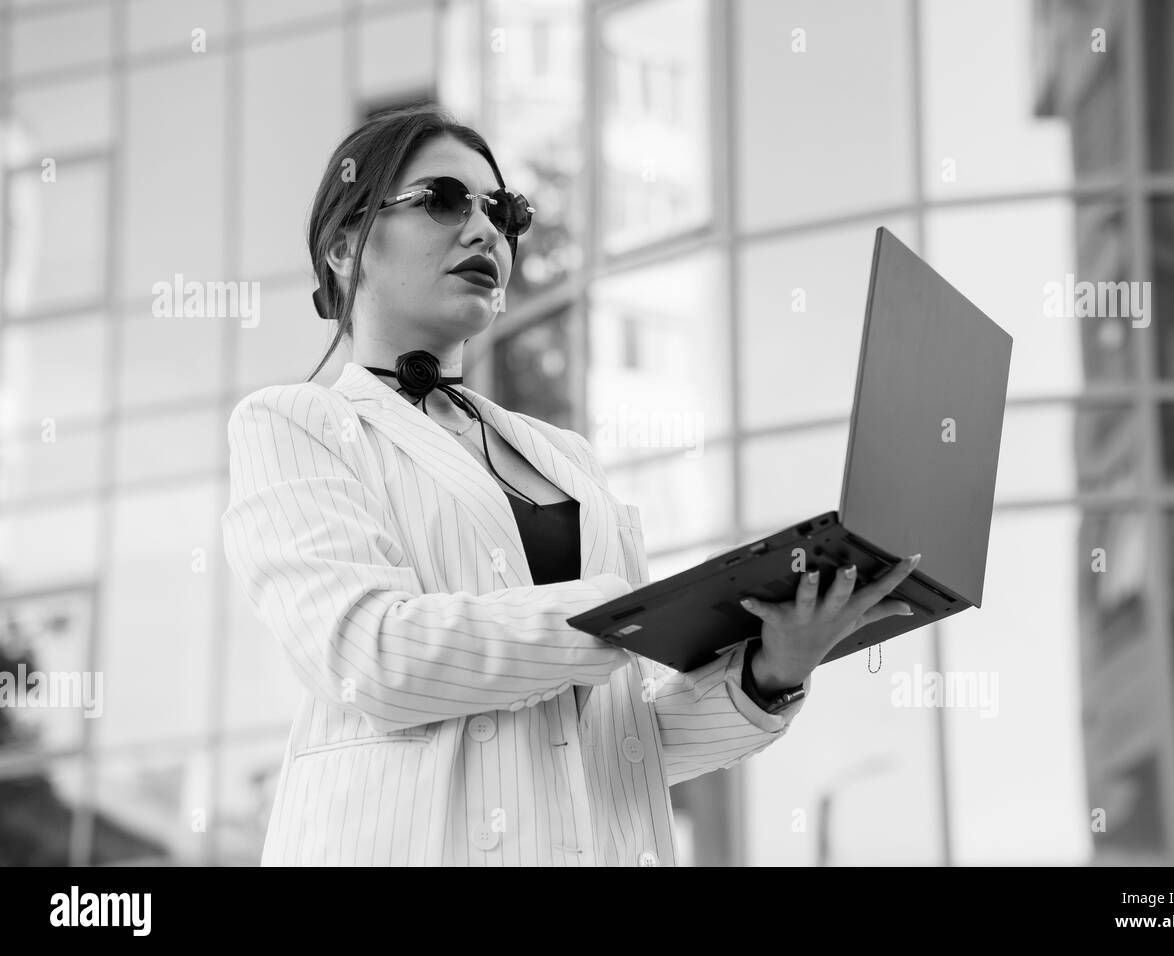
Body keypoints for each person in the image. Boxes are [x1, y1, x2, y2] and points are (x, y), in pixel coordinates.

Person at [221, 105, 916, 866]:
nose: (486, 230)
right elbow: (367, 656)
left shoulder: (566, 459)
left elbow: (624, 743)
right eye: (446, 201)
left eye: (504, 211)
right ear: (346, 246)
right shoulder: (294, 424)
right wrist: (605, 619)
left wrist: (773, 670)